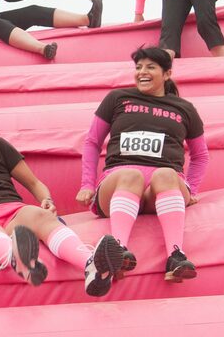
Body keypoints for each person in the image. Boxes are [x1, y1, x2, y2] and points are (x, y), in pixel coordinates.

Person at [0, 94, 123, 297]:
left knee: (37, 215)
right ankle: (18, 259)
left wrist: (46, 200)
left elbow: (34, 183)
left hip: (10, 212)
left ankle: (92, 266)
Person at [76, 46, 209, 283]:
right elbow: (92, 142)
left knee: (166, 174)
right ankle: (116, 251)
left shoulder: (184, 108)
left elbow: (201, 155)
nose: (142, 72)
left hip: (160, 190)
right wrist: (87, 184)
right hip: (119, 182)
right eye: (138, 67)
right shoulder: (117, 98)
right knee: (132, 175)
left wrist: (193, 189)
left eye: (150, 67)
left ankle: (176, 256)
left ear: (167, 74)